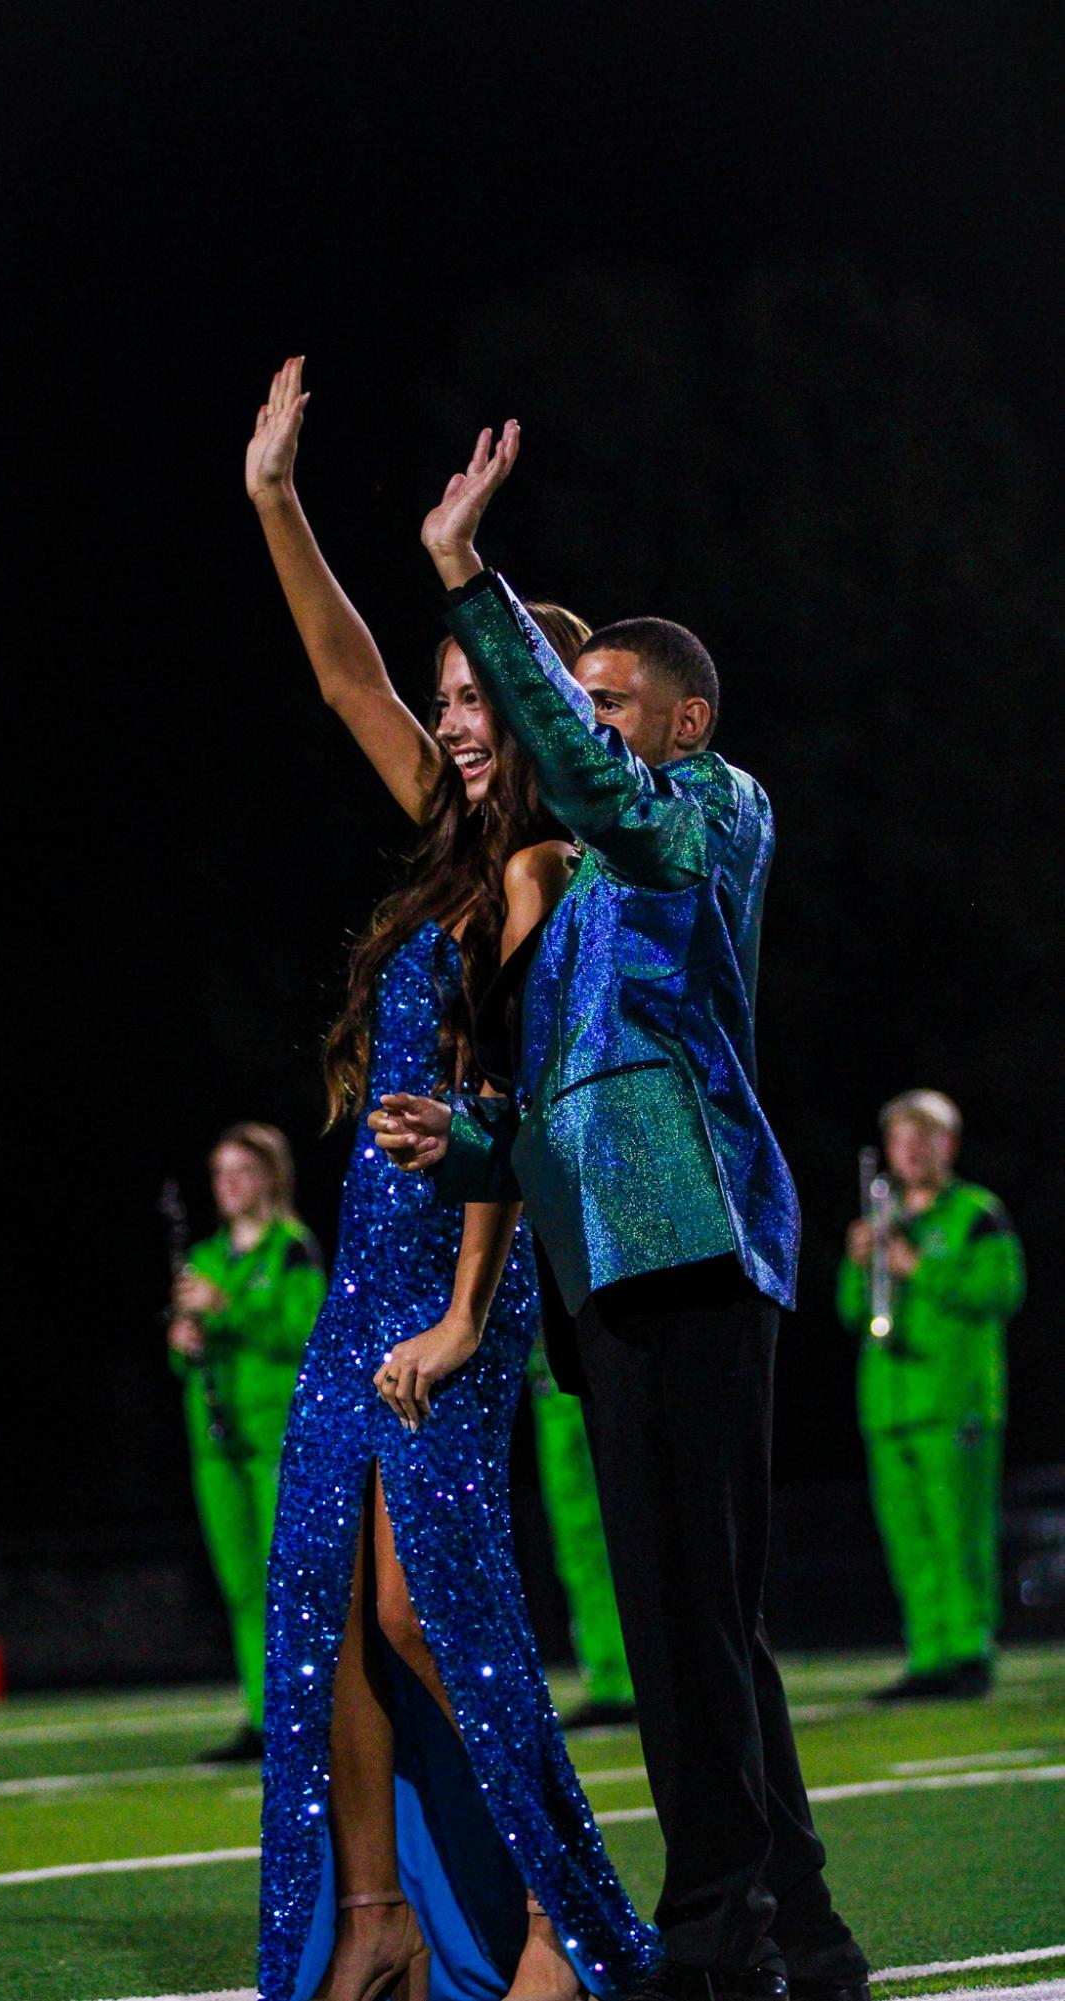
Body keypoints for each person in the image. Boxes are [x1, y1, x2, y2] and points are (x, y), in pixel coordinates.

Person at [371, 422, 870, 2001]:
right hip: (613, 1260)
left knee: (684, 1627)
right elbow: (559, 1110)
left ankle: (719, 1932)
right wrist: (463, 1143)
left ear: (682, 718)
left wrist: (467, 583)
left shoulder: (707, 810)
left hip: (692, 1242)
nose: (580, 734)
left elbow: (597, 785)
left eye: (606, 707)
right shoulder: (585, 882)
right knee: (693, 1622)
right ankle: (800, 1930)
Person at [246, 360, 654, 2001]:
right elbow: (348, 682)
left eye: (486, 703)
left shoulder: (548, 869)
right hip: (357, 1280)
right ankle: (372, 1924)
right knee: (324, 1615)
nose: (462, 727)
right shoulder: (441, 837)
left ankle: (562, 1925)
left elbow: (507, 1094)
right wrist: (274, 501)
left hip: (448, 1288)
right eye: (456, 705)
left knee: (436, 1621)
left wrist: (471, 1311)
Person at [837, 1089, 1025, 1702]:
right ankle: (927, 1654)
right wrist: (858, 1263)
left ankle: (968, 1652)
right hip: (890, 1408)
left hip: (953, 1403)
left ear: (950, 1144)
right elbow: (849, 1312)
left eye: (926, 1137)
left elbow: (1001, 1290)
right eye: (902, 1139)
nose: (912, 1150)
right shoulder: (883, 1218)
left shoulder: (976, 1212)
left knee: (958, 1533)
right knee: (908, 1539)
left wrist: (921, 1267)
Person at [169, 1122, 327, 1762]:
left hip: (276, 1439)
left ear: (271, 1177)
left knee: (291, 1581)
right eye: (219, 1172)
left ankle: (308, 1715)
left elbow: (307, 1335)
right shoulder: (206, 1254)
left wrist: (226, 1308)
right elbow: (190, 1352)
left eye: (240, 1170)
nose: (227, 1184)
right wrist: (184, 1342)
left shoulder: (292, 1249)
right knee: (241, 1585)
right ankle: (265, 1718)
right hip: (218, 1444)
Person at [529, 1339, 635, 1728]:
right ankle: (610, 1680)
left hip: (599, 1364)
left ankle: (646, 1674)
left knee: (632, 1529)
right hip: (551, 1386)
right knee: (579, 1548)